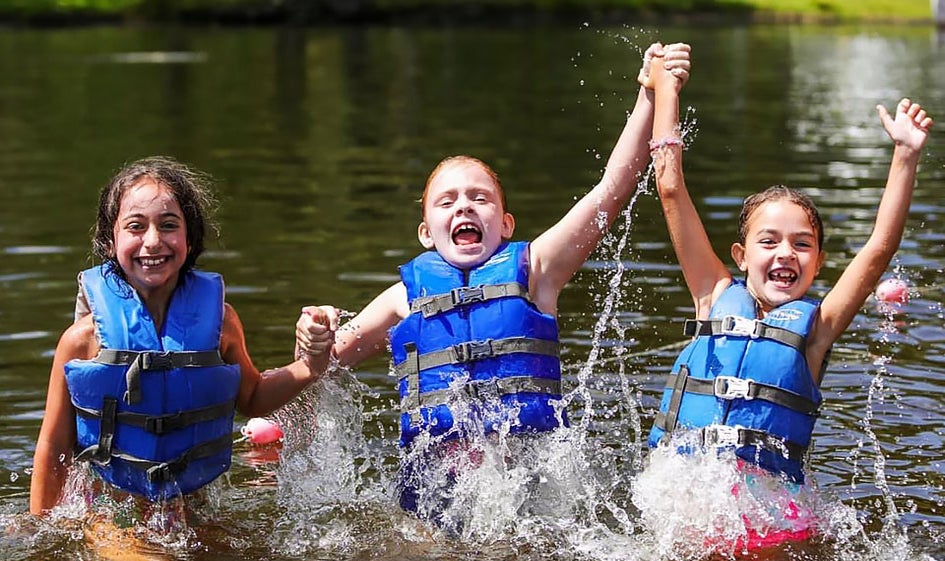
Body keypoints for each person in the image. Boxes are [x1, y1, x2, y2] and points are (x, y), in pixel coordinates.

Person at [296, 43, 692, 519]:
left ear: (505, 224)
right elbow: (318, 370)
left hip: (528, 493)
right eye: (447, 202)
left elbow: (612, 188)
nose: (463, 206)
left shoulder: (537, 272)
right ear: (426, 233)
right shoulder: (404, 298)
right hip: (432, 499)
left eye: (479, 198)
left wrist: (648, 94)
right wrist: (314, 340)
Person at [644, 51, 932, 546]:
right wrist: (665, 91)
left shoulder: (817, 330)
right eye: (769, 241)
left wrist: (905, 156)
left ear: (818, 263)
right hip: (682, 502)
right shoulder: (712, 295)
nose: (786, 253)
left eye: (802, 244)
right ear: (740, 255)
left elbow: (878, 249)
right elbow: (669, 187)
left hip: (769, 525)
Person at [29, 156, 334, 519]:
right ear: (111, 240)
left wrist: (310, 365)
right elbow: (53, 445)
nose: (153, 242)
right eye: (136, 226)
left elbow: (252, 398)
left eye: (169, 225)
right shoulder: (82, 340)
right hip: (109, 512)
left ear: (190, 239)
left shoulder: (221, 322)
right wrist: (40, 539)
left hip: (194, 512)